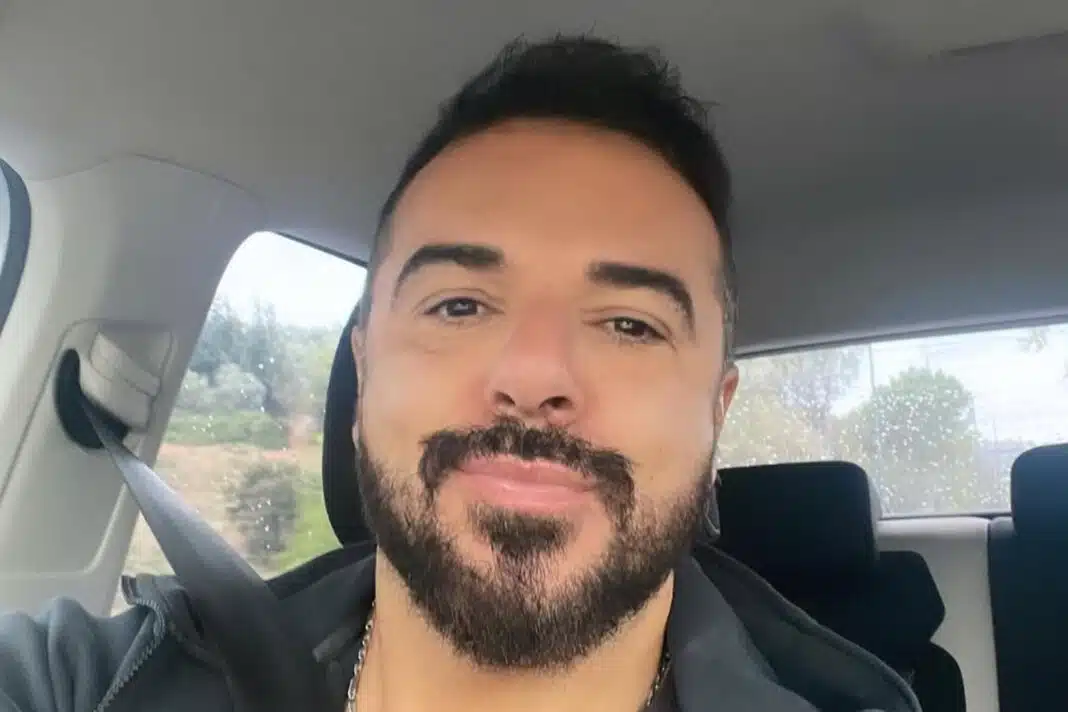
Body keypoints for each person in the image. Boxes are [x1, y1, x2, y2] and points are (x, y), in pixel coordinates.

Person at [0, 35, 917, 712]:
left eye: (630, 324)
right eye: (460, 306)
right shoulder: (93, 686)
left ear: (716, 414)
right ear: (364, 370)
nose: (534, 374)